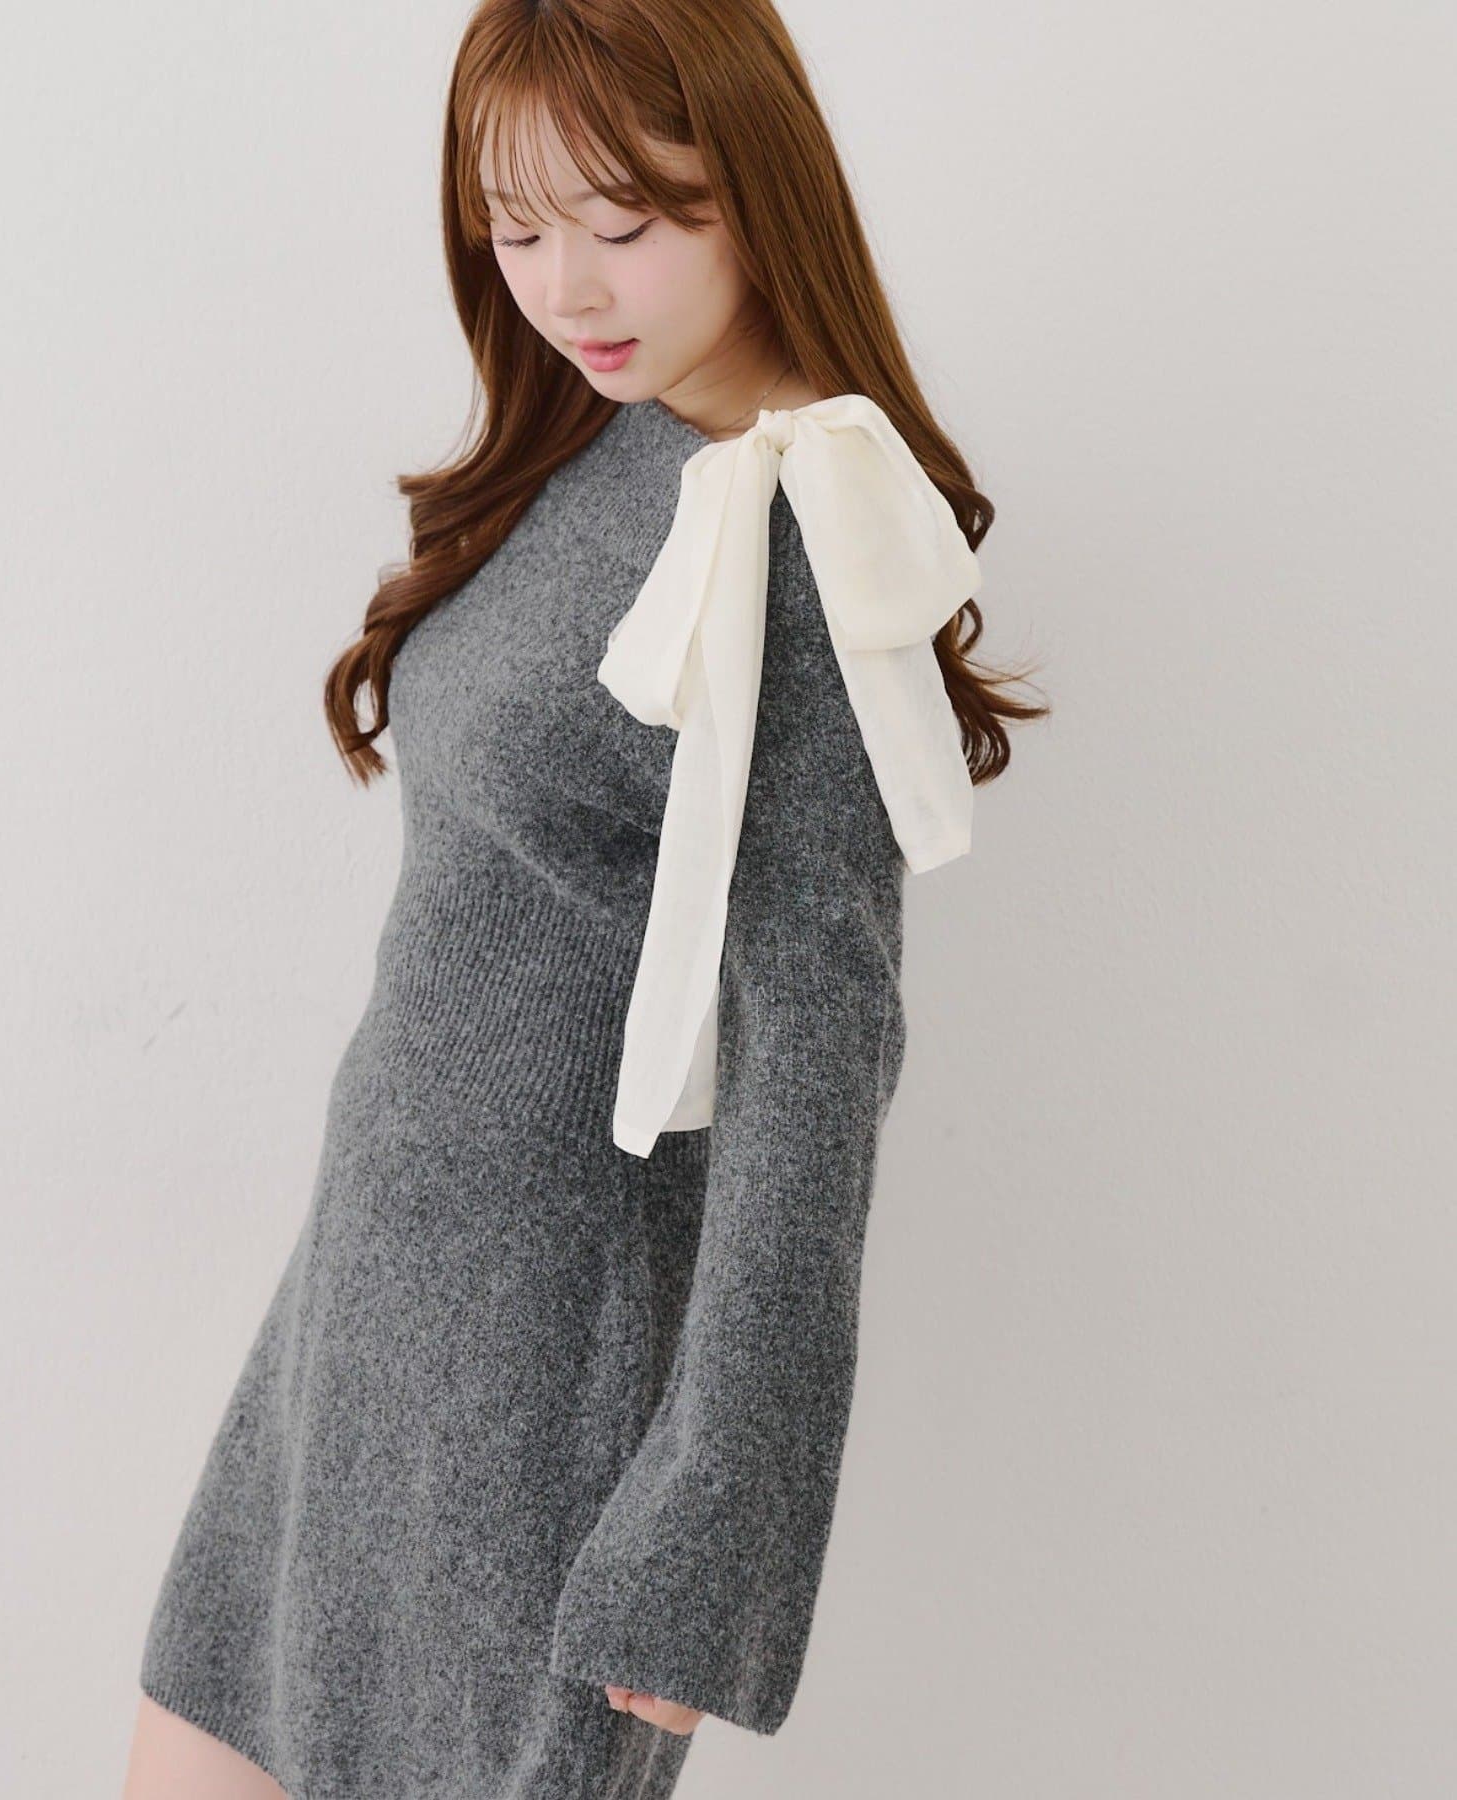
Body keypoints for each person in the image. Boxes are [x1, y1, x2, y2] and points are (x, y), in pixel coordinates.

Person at [122, 1, 1045, 1795]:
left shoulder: (798, 525)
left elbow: (817, 1062)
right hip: (367, 1313)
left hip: (543, 1381)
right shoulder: (618, 437)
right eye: (517, 227)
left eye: (625, 223)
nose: (565, 287)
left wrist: (713, 1532)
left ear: (757, 184)